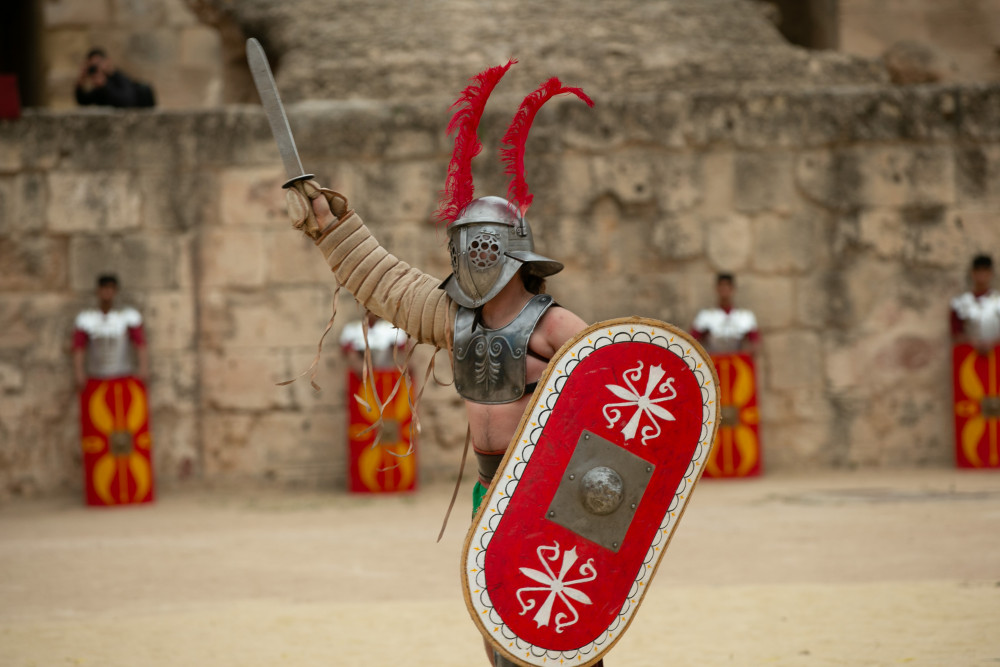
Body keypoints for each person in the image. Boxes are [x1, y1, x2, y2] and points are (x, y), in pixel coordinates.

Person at [282, 63, 596, 667]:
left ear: (504, 252)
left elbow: (607, 398)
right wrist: (329, 226)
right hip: (490, 489)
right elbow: (384, 281)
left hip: (546, 491)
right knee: (497, 618)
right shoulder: (454, 316)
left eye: (479, 245)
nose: (470, 257)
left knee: (561, 626)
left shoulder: (558, 328)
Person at [73, 274, 148, 391]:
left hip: (123, 373)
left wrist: (143, 368)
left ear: (115, 291)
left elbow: (140, 343)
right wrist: (79, 372)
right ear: (98, 290)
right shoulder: (85, 318)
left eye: (110, 288)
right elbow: (79, 346)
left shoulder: (128, 316)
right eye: (104, 288)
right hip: (96, 374)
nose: (107, 292)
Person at [690, 273, 759, 355]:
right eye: (721, 286)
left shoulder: (745, 316)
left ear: (733, 289)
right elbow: (692, 340)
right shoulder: (705, 316)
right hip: (713, 362)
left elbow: (755, 342)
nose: (724, 289)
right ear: (717, 288)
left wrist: (750, 352)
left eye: (727, 286)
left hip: (737, 362)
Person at [950, 254, 1000, 354]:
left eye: (985, 271)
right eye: (978, 271)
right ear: (972, 273)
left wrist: (992, 343)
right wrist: (973, 342)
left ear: (991, 273)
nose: (981, 274)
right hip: (970, 356)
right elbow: (956, 332)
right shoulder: (960, 302)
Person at [75, 48, 155, 109]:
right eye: (93, 65)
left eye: (98, 63)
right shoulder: (99, 85)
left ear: (107, 61)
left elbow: (127, 102)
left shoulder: (118, 77)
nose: (97, 68)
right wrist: (80, 83)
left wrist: (105, 85)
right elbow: (84, 101)